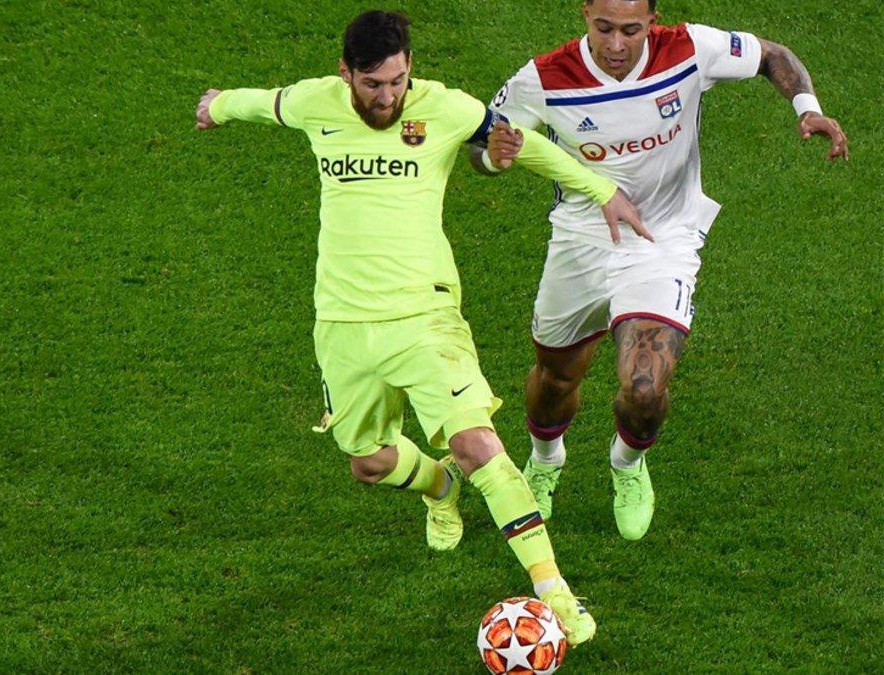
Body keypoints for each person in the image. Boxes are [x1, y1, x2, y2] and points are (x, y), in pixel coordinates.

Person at [195, 9, 648, 646]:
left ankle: (557, 594)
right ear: (345, 72)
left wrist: (601, 189)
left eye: (398, 82)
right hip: (343, 321)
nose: (387, 97)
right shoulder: (314, 103)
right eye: (373, 85)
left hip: (424, 313)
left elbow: (521, 142)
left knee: (478, 444)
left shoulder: (445, 108)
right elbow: (263, 103)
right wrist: (217, 106)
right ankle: (439, 488)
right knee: (369, 462)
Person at [481, 0, 849, 541]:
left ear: (652, 21)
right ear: (585, 14)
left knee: (646, 387)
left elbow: (773, 54)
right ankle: (545, 459)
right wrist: (493, 156)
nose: (614, 45)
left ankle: (627, 466)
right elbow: (484, 147)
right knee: (558, 376)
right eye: (603, 28)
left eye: (630, 30)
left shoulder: (689, 50)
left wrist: (806, 108)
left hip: (662, 239)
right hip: (582, 239)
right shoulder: (543, 79)